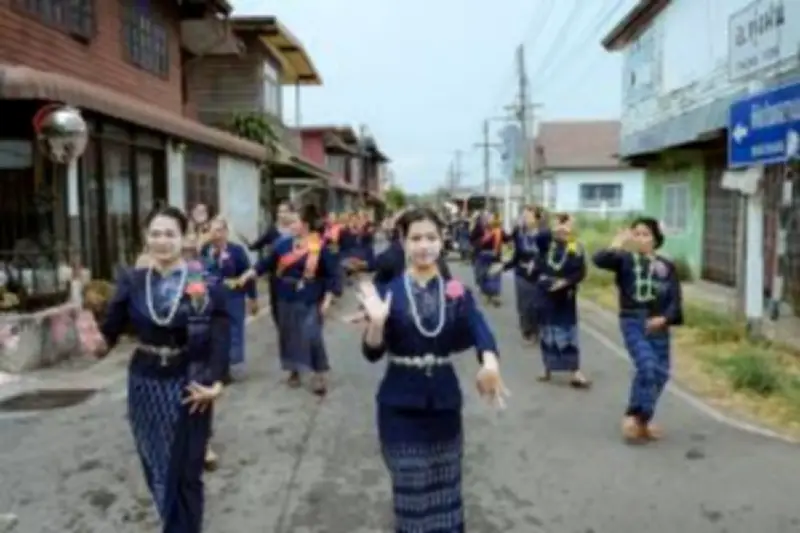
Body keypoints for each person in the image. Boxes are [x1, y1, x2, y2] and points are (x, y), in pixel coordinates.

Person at [357, 207, 509, 533]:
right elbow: (372, 353)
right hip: (399, 405)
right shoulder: (388, 293)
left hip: (443, 406)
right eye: (415, 238)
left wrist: (490, 364)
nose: (424, 246)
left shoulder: (456, 294)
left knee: (445, 489)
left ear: (443, 242)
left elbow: (480, 331)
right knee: (410, 488)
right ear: (403, 242)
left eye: (431, 237)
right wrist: (377, 324)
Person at [87, 205, 229, 533]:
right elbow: (110, 332)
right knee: (158, 466)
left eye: (169, 234)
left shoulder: (204, 281)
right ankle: (173, 523)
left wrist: (216, 382)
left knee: (187, 469)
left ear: (185, 238)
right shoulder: (133, 282)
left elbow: (220, 333)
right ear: (145, 238)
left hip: (190, 382)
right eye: (155, 234)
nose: (162, 241)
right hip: (145, 384)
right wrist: (93, 338)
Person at [593, 217, 683, 443]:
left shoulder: (666, 265)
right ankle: (633, 415)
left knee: (660, 373)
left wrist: (664, 318)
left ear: (655, 239)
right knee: (647, 366)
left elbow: (675, 298)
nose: (641, 239)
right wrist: (617, 242)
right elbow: (599, 260)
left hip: (659, 324)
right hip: (634, 321)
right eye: (637, 234)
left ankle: (644, 421)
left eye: (646, 234)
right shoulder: (624, 260)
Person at [238, 204, 340, 394]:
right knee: (288, 334)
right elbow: (265, 263)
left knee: (312, 334)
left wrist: (327, 298)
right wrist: (249, 273)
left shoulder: (320, 246)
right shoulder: (283, 244)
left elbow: (332, 275)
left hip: (309, 295)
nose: (290, 225)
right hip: (284, 294)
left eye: (295, 221)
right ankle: (293, 369)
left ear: (306, 224)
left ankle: (319, 373)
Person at [535, 213, 590, 387]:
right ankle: (547, 369)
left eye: (568, 226)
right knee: (547, 331)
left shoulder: (576, 247)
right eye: (562, 225)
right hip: (546, 293)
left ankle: (575, 371)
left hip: (565, 295)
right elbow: (539, 237)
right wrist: (554, 227)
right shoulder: (546, 245)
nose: (565, 230)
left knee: (568, 332)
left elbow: (581, 272)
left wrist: (565, 282)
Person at [201, 216, 258, 381]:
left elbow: (248, 275)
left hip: (234, 296)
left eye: (219, 230)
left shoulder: (236, 251)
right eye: (212, 231)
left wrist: (252, 298)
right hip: (211, 298)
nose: (216, 235)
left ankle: (235, 365)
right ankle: (219, 367)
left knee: (235, 331)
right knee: (215, 332)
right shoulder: (205, 250)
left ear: (226, 232)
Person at [248, 201, 296, 324]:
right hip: (275, 275)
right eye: (280, 211)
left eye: (285, 211)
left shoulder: (297, 231)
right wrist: (252, 246)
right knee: (276, 308)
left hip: (293, 276)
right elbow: (260, 243)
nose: (282, 214)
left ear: (292, 213)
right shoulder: (272, 230)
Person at [503, 205, 544, 343]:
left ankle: (537, 328)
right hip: (521, 272)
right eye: (524, 216)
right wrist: (505, 266)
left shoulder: (544, 234)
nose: (525, 219)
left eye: (529, 216)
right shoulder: (518, 232)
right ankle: (527, 331)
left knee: (537, 304)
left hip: (539, 274)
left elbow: (548, 254)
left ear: (537, 218)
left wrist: (537, 263)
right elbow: (516, 254)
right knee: (524, 305)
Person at [473, 212, 507, 306]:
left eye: (491, 218)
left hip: (495, 257)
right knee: (482, 276)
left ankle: (494, 296)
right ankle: (487, 294)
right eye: (487, 218)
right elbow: (473, 240)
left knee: (495, 276)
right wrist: (483, 239)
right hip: (482, 256)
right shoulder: (479, 228)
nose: (489, 220)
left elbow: (507, 239)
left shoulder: (498, 231)